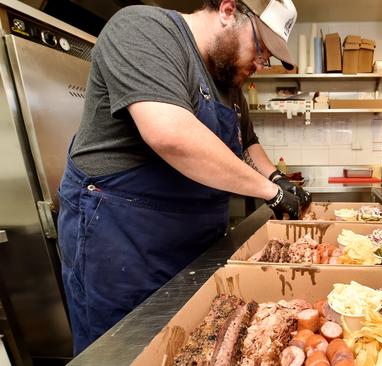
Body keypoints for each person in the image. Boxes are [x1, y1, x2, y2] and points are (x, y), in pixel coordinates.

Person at [57, 0, 310, 354]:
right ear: (228, 10)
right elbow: (171, 134)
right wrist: (270, 191)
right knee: (124, 351)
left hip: (193, 244)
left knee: (188, 349)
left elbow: (247, 143)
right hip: (123, 241)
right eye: (260, 48)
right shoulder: (144, 29)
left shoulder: (229, 85)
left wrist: (280, 179)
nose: (259, 63)